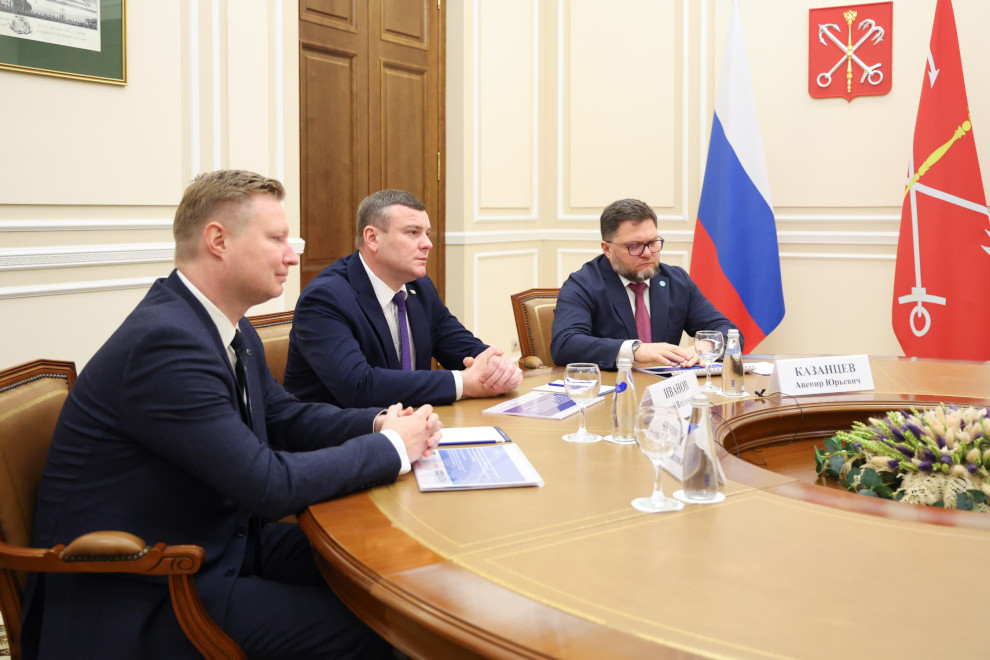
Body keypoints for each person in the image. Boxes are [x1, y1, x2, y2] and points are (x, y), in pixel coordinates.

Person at [22, 170, 442, 659]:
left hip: (217, 544)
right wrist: (391, 448)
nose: (292, 255)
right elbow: (267, 484)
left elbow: (284, 417)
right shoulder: (167, 343)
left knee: (393, 571)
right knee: (384, 632)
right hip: (146, 588)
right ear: (218, 241)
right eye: (277, 239)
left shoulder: (226, 326)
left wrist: (378, 423)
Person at [284, 189, 523, 408]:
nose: (428, 244)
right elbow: (359, 386)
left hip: (413, 425)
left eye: (427, 233)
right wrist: (463, 383)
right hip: (343, 435)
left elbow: (462, 346)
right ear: (372, 238)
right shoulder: (325, 298)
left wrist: (496, 367)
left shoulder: (419, 287)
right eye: (413, 232)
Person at [550, 198, 738, 369]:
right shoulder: (583, 284)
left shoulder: (676, 281)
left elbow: (730, 333)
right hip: (614, 388)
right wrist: (634, 350)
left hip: (666, 389)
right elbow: (565, 344)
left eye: (653, 242)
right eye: (634, 246)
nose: (647, 253)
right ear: (607, 249)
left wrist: (706, 346)